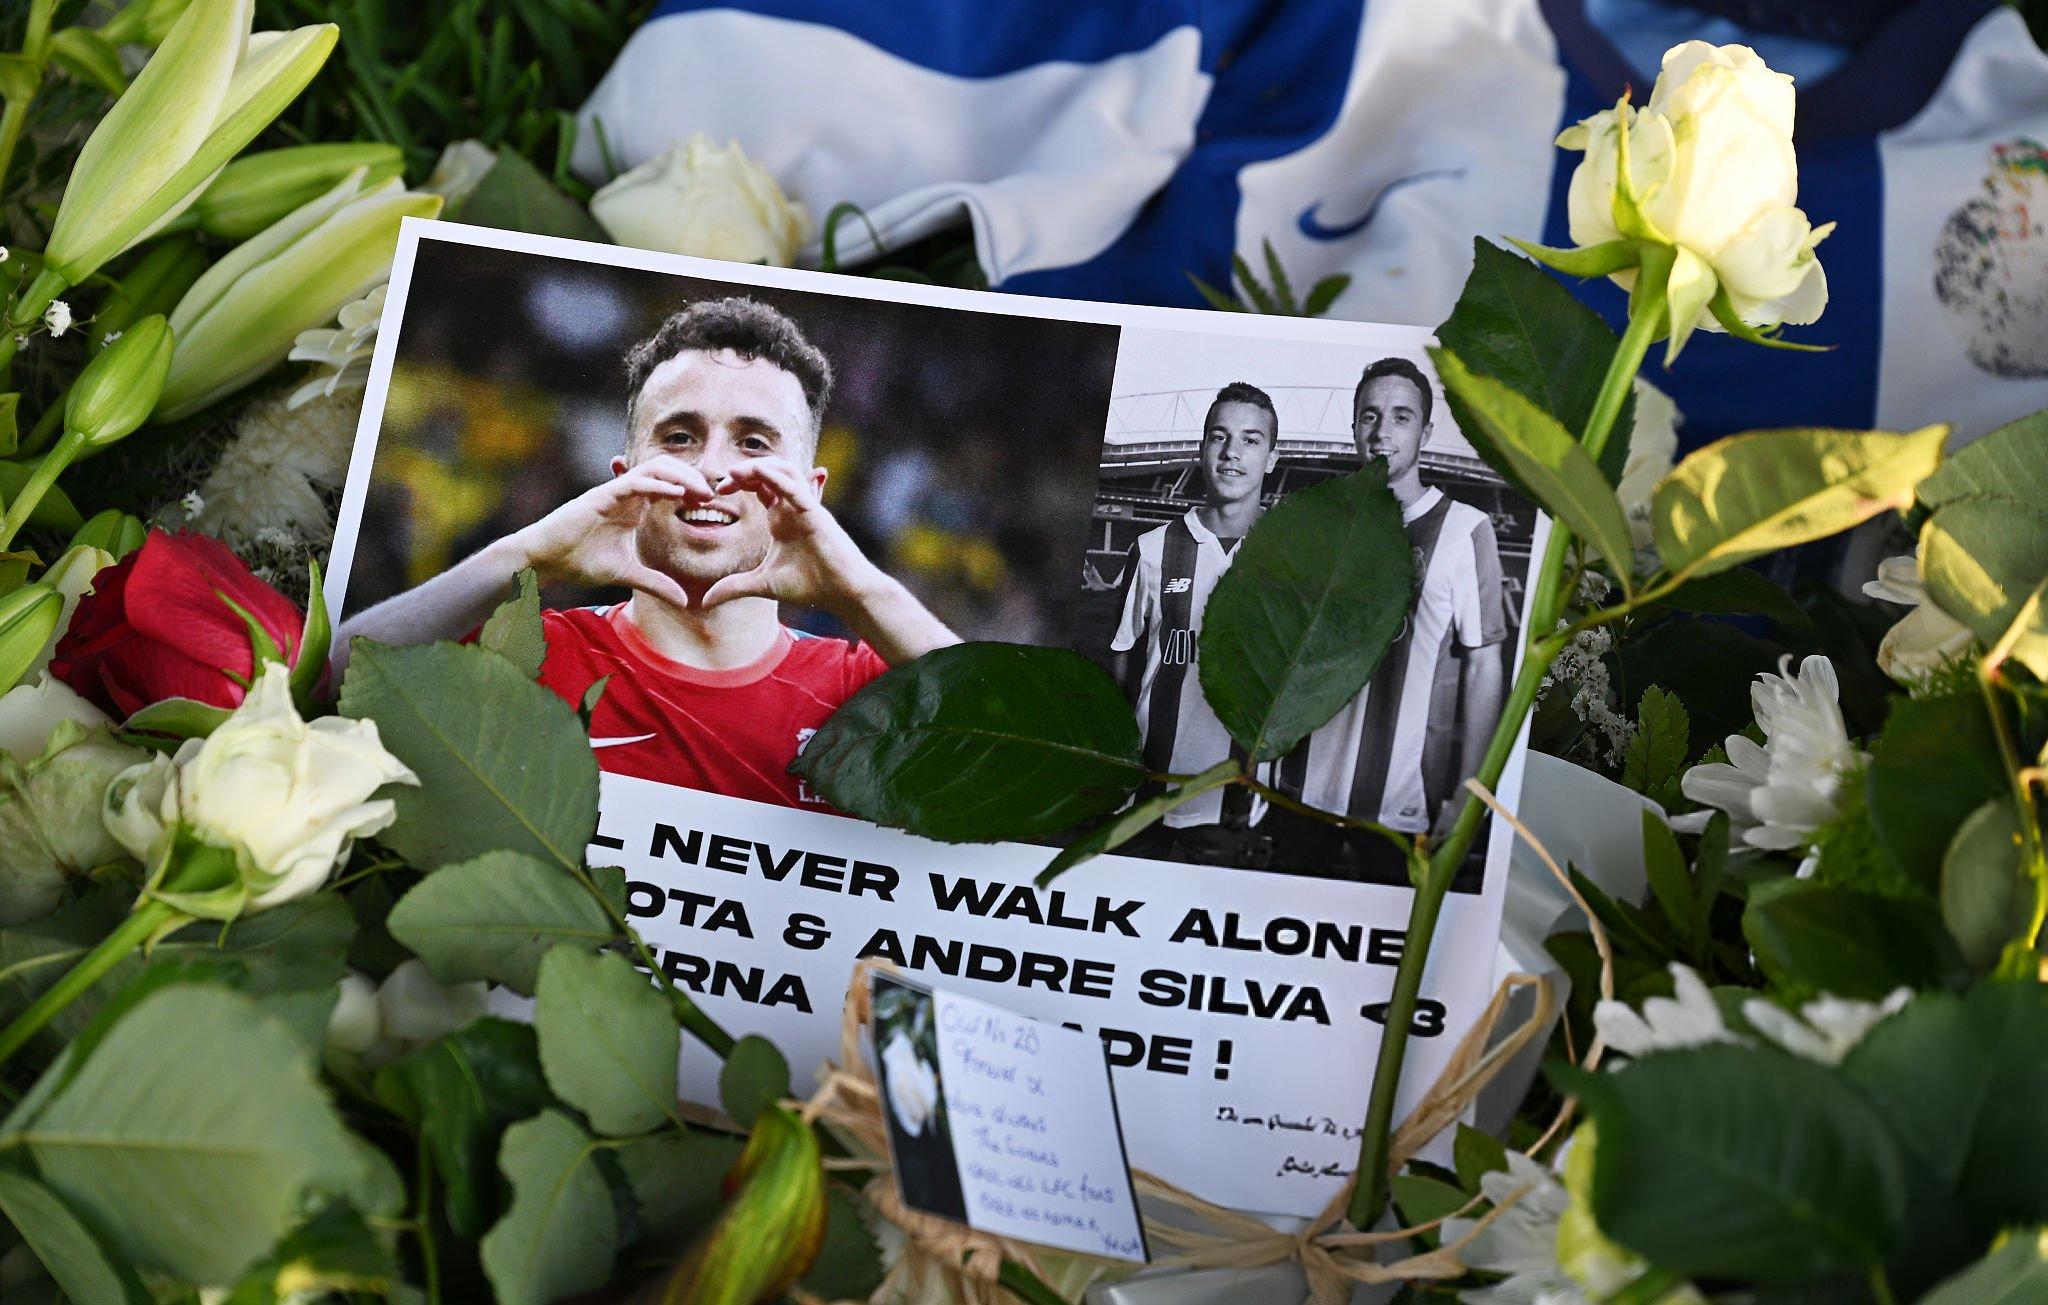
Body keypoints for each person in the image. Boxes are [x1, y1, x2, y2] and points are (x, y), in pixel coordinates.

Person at [337, 296, 959, 809]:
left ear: (813, 491)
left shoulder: (869, 694)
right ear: (622, 476)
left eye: (753, 441)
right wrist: (525, 557)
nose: (713, 469)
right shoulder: (523, 657)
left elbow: (1053, 783)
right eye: (680, 437)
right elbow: (328, 684)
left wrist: (863, 590)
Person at [1265, 356, 1507, 879]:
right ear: (1354, 427)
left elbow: (1484, 668)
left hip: (1404, 804)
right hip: (1298, 792)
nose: (1382, 431)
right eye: (1369, 416)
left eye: (1401, 416)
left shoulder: (1466, 529)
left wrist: (1470, 793)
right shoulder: (1312, 522)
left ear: (1425, 430)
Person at [1107, 381, 1278, 858]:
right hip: (1148, 798)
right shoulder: (1152, 549)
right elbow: (1122, 658)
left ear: (1272, 457)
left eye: (1251, 439)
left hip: (1240, 810)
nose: (1231, 453)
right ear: (1202, 448)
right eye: (1219, 436)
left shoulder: (1295, 560)